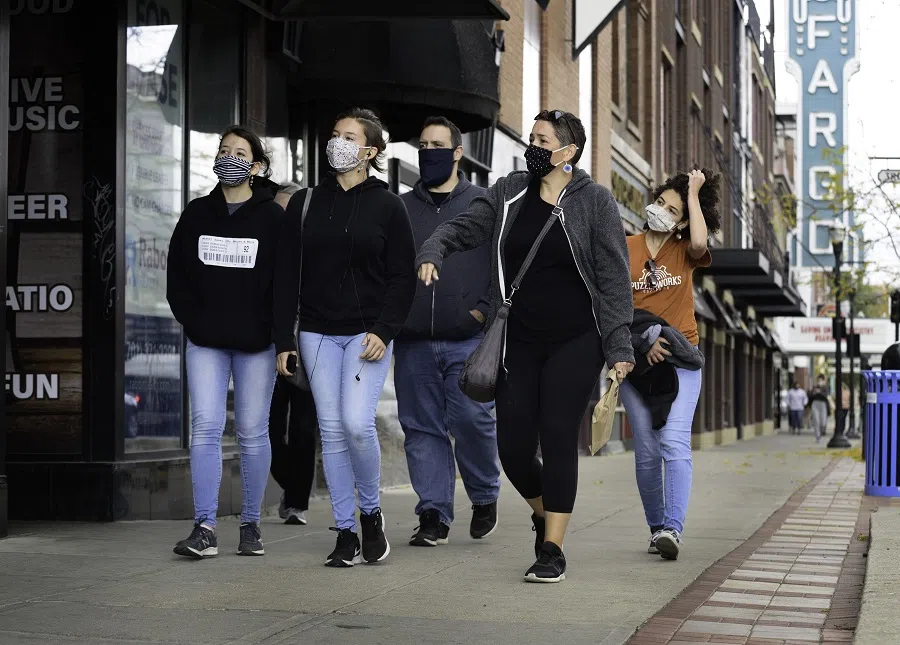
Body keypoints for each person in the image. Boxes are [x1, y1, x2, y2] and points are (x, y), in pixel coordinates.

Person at [416, 109, 635, 583]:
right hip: (517, 339)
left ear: (567, 152)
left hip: (577, 340)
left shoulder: (594, 201)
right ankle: (543, 512)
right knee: (513, 449)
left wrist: (619, 347)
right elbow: (466, 225)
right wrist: (435, 247)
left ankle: (552, 547)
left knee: (557, 436)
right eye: (531, 137)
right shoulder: (509, 191)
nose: (531, 145)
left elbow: (615, 278)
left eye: (542, 139)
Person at [273, 108, 416, 568]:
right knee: (331, 431)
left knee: (356, 424)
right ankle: (345, 532)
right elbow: (285, 275)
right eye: (334, 134)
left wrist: (384, 330)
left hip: (365, 334)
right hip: (315, 333)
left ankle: (371, 513)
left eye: (349, 136)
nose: (338, 141)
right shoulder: (305, 202)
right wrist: (283, 340)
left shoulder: (389, 205)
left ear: (369, 151)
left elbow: (402, 278)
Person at [167, 125, 283, 559]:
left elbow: (285, 280)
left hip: (257, 345)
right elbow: (176, 276)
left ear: (255, 166)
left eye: (240, 152)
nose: (229, 157)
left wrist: (275, 333)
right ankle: (205, 526)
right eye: (223, 150)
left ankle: (250, 525)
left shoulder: (273, 218)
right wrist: (194, 321)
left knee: (253, 431)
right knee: (206, 427)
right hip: (206, 342)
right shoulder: (197, 213)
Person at [395, 116, 501, 547]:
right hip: (413, 340)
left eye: (438, 144)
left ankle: (484, 494)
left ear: (458, 152)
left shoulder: (482, 204)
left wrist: (483, 311)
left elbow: (501, 266)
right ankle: (434, 514)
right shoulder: (401, 207)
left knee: (473, 419)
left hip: (468, 339)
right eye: (423, 144)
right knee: (421, 429)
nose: (429, 151)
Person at [619, 167, 721, 562]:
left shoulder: (685, 252)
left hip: (681, 359)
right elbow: (613, 307)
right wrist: (642, 345)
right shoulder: (625, 246)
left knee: (674, 440)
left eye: (671, 210)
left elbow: (699, 240)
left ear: (681, 222)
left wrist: (692, 193)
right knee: (645, 448)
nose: (660, 210)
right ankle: (656, 527)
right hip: (638, 361)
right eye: (660, 201)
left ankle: (673, 529)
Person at [268, 182, 319, 525]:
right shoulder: (265, 247)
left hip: (309, 347)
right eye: (280, 211)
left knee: (303, 427)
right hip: (268, 348)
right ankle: (290, 484)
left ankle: (297, 502)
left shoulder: (313, 248)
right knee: (268, 426)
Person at [808, 374, 831, 443]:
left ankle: (821, 431)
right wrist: (813, 392)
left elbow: (826, 395)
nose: (819, 381)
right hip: (815, 404)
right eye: (818, 380)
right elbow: (810, 396)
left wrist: (820, 392)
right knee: (816, 421)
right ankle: (818, 436)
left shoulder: (826, 387)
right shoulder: (815, 387)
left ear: (824, 381)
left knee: (823, 422)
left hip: (823, 404)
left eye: (821, 380)